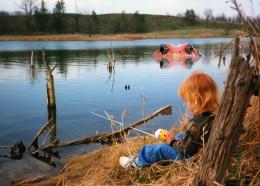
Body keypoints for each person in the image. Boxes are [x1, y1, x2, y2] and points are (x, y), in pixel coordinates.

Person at [119, 72, 220, 169]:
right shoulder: (212, 116)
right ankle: (150, 153)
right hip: (196, 150)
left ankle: (136, 163)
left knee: (161, 149)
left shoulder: (197, 124)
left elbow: (187, 149)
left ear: (198, 100)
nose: (187, 104)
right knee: (181, 136)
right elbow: (194, 141)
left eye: (188, 100)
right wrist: (178, 140)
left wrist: (172, 142)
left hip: (189, 158)